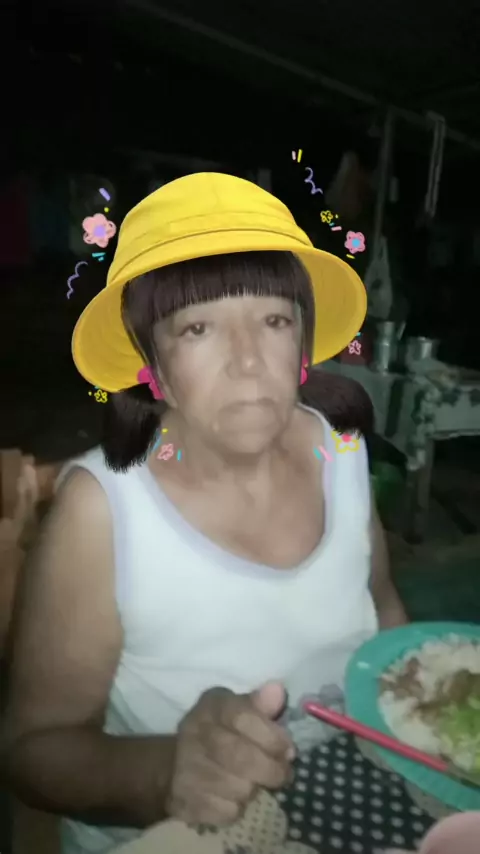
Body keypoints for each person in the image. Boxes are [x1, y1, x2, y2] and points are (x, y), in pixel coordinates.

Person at [2, 172, 407, 854]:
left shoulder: (341, 449)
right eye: (197, 327)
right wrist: (167, 771)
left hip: (348, 795)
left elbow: (384, 607)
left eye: (275, 320)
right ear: (152, 365)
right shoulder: (103, 511)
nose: (249, 362)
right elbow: (33, 749)